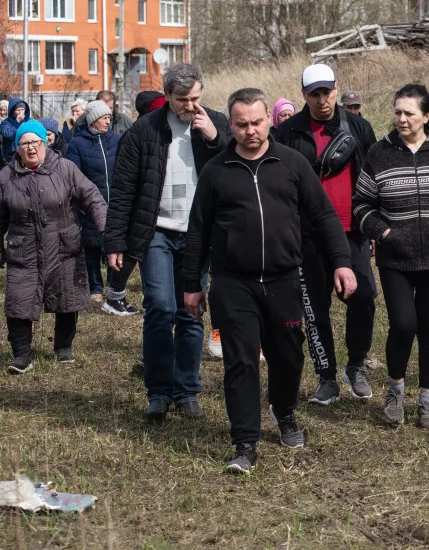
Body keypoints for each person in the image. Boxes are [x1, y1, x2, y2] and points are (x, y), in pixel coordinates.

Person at [184, 88, 356, 474]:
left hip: (283, 280)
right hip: (233, 283)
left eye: (257, 122)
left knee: (288, 356)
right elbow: (197, 231)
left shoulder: (292, 164)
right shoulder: (216, 172)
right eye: (242, 124)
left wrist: (342, 263)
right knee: (241, 362)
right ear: (231, 125)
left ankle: (284, 412)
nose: (250, 131)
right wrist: (191, 284)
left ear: (268, 120)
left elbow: (325, 217)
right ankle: (244, 441)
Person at [104, 63, 231, 421]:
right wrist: (115, 240)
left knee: (190, 311)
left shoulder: (216, 123)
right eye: (182, 100)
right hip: (156, 231)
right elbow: (124, 189)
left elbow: (236, 165)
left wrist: (214, 138)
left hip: (197, 233)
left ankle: (187, 390)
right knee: (159, 308)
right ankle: (158, 391)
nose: (190, 106)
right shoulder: (144, 131)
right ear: (167, 97)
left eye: (195, 98)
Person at [353, 84, 429, 428]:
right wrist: (384, 233)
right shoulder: (379, 153)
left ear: (426, 117)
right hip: (396, 260)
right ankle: (395, 392)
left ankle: (427, 402)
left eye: (409, 113)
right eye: (397, 112)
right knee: (403, 326)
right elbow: (361, 204)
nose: (401, 119)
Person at [276, 64, 378, 405]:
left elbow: (372, 177)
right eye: (315, 93)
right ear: (304, 94)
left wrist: (374, 224)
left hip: (352, 231)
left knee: (363, 297)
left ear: (337, 89)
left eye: (328, 92)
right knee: (314, 309)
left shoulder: (359, 127)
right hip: (306, 236)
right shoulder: (289, 131)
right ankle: (326, 378)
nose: (323, 100)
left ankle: (356, 365)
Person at [1, 120, 107, 372]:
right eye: (24, 143)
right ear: (17, 148)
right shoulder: (6, 177)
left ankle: (63, 347)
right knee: (18, 300)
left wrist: (107, 231)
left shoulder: (65, 168)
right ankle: (21, 355)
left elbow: (92, 198)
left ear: (45, 143)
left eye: (36, 142)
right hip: (23, 249)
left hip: (63, 246)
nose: (31, 148)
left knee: (67, 297)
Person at [66, 100, 136, 315]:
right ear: (93, 119)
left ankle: (114, 288)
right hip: (89, 203)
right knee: (92, 246)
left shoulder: (116, 140)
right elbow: (74, 174)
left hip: (116, 202)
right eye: (104, 117)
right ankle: (95, 286)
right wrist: (83, 197)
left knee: (114, 246)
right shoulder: (78, 144)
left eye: (109, 117)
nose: (108, 121)